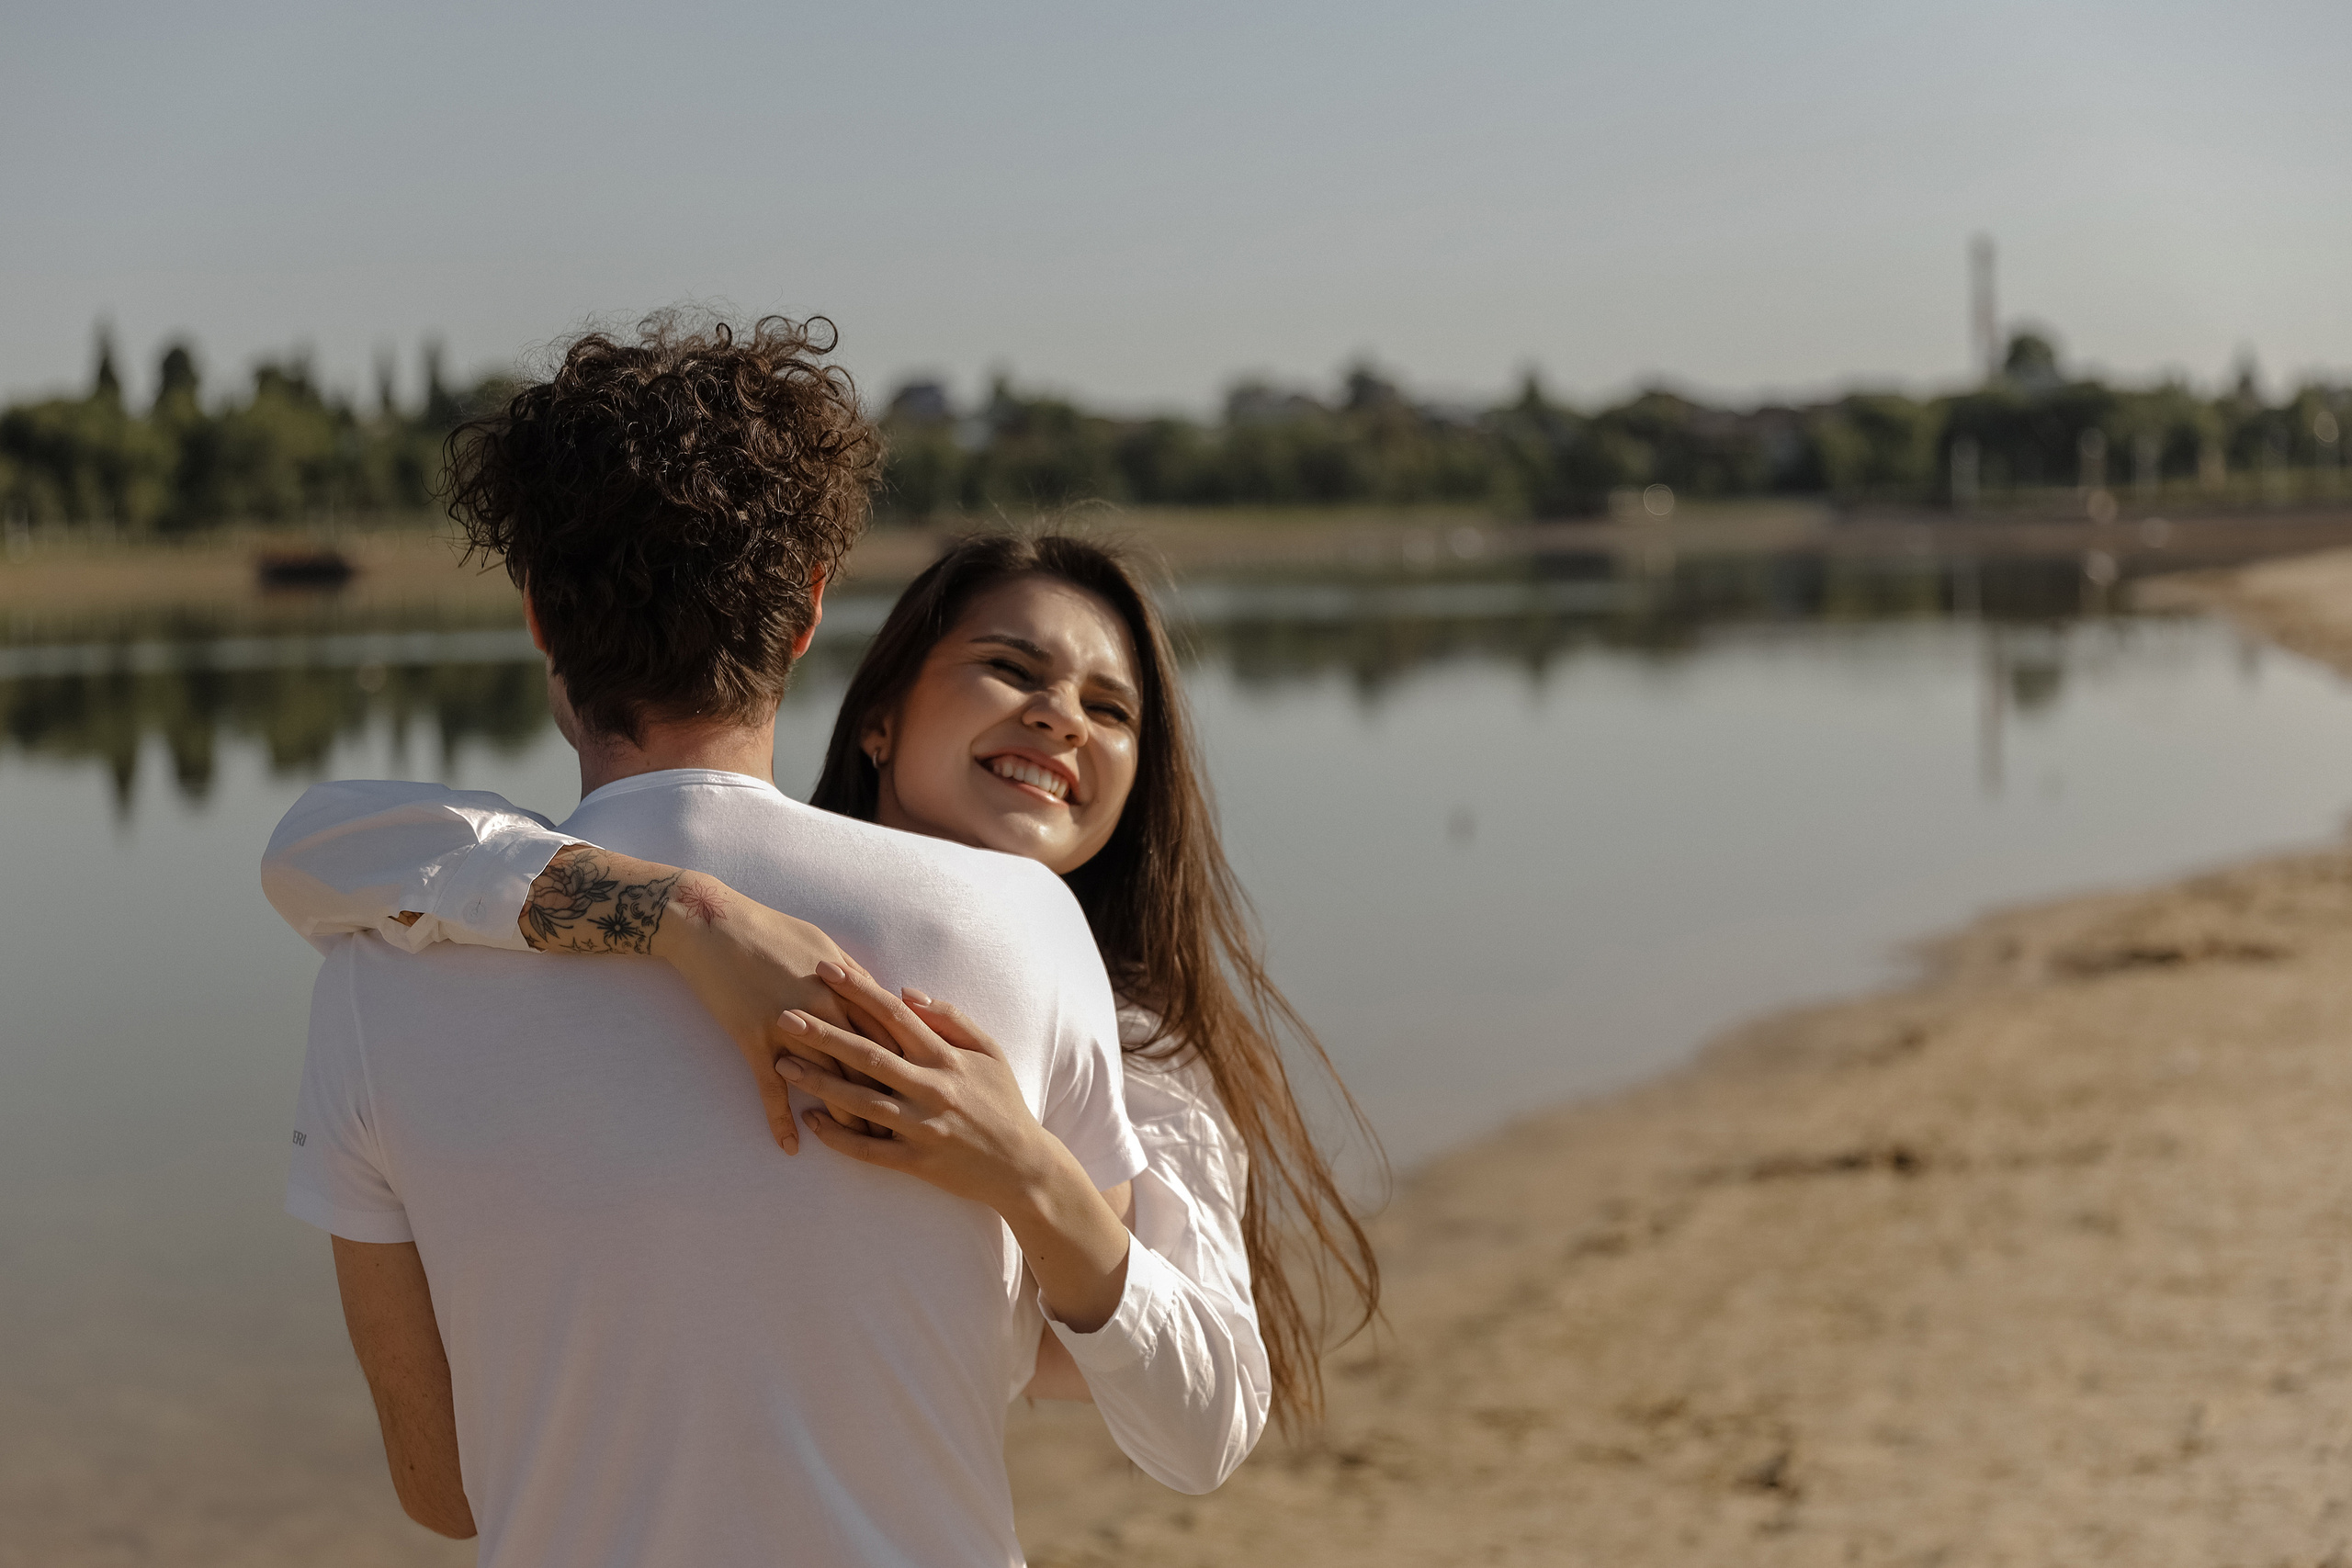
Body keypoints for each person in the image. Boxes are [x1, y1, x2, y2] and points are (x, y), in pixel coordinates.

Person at [277, 315, 1156, 1567]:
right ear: (802, 616)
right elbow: (1060, 1352)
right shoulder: (1015, 920)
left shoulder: (377, 971)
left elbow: (444, 1484)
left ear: (538, 617)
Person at [266, 534, 1382, 1498]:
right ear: (882, 716)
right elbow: (324, 851)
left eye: (1110, 709)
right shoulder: (763, 899)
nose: (1061, 718)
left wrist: (1026, 1172)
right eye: (1011, 669)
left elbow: (1206, 1431)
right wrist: (681, 917)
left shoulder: (1141, 1057)